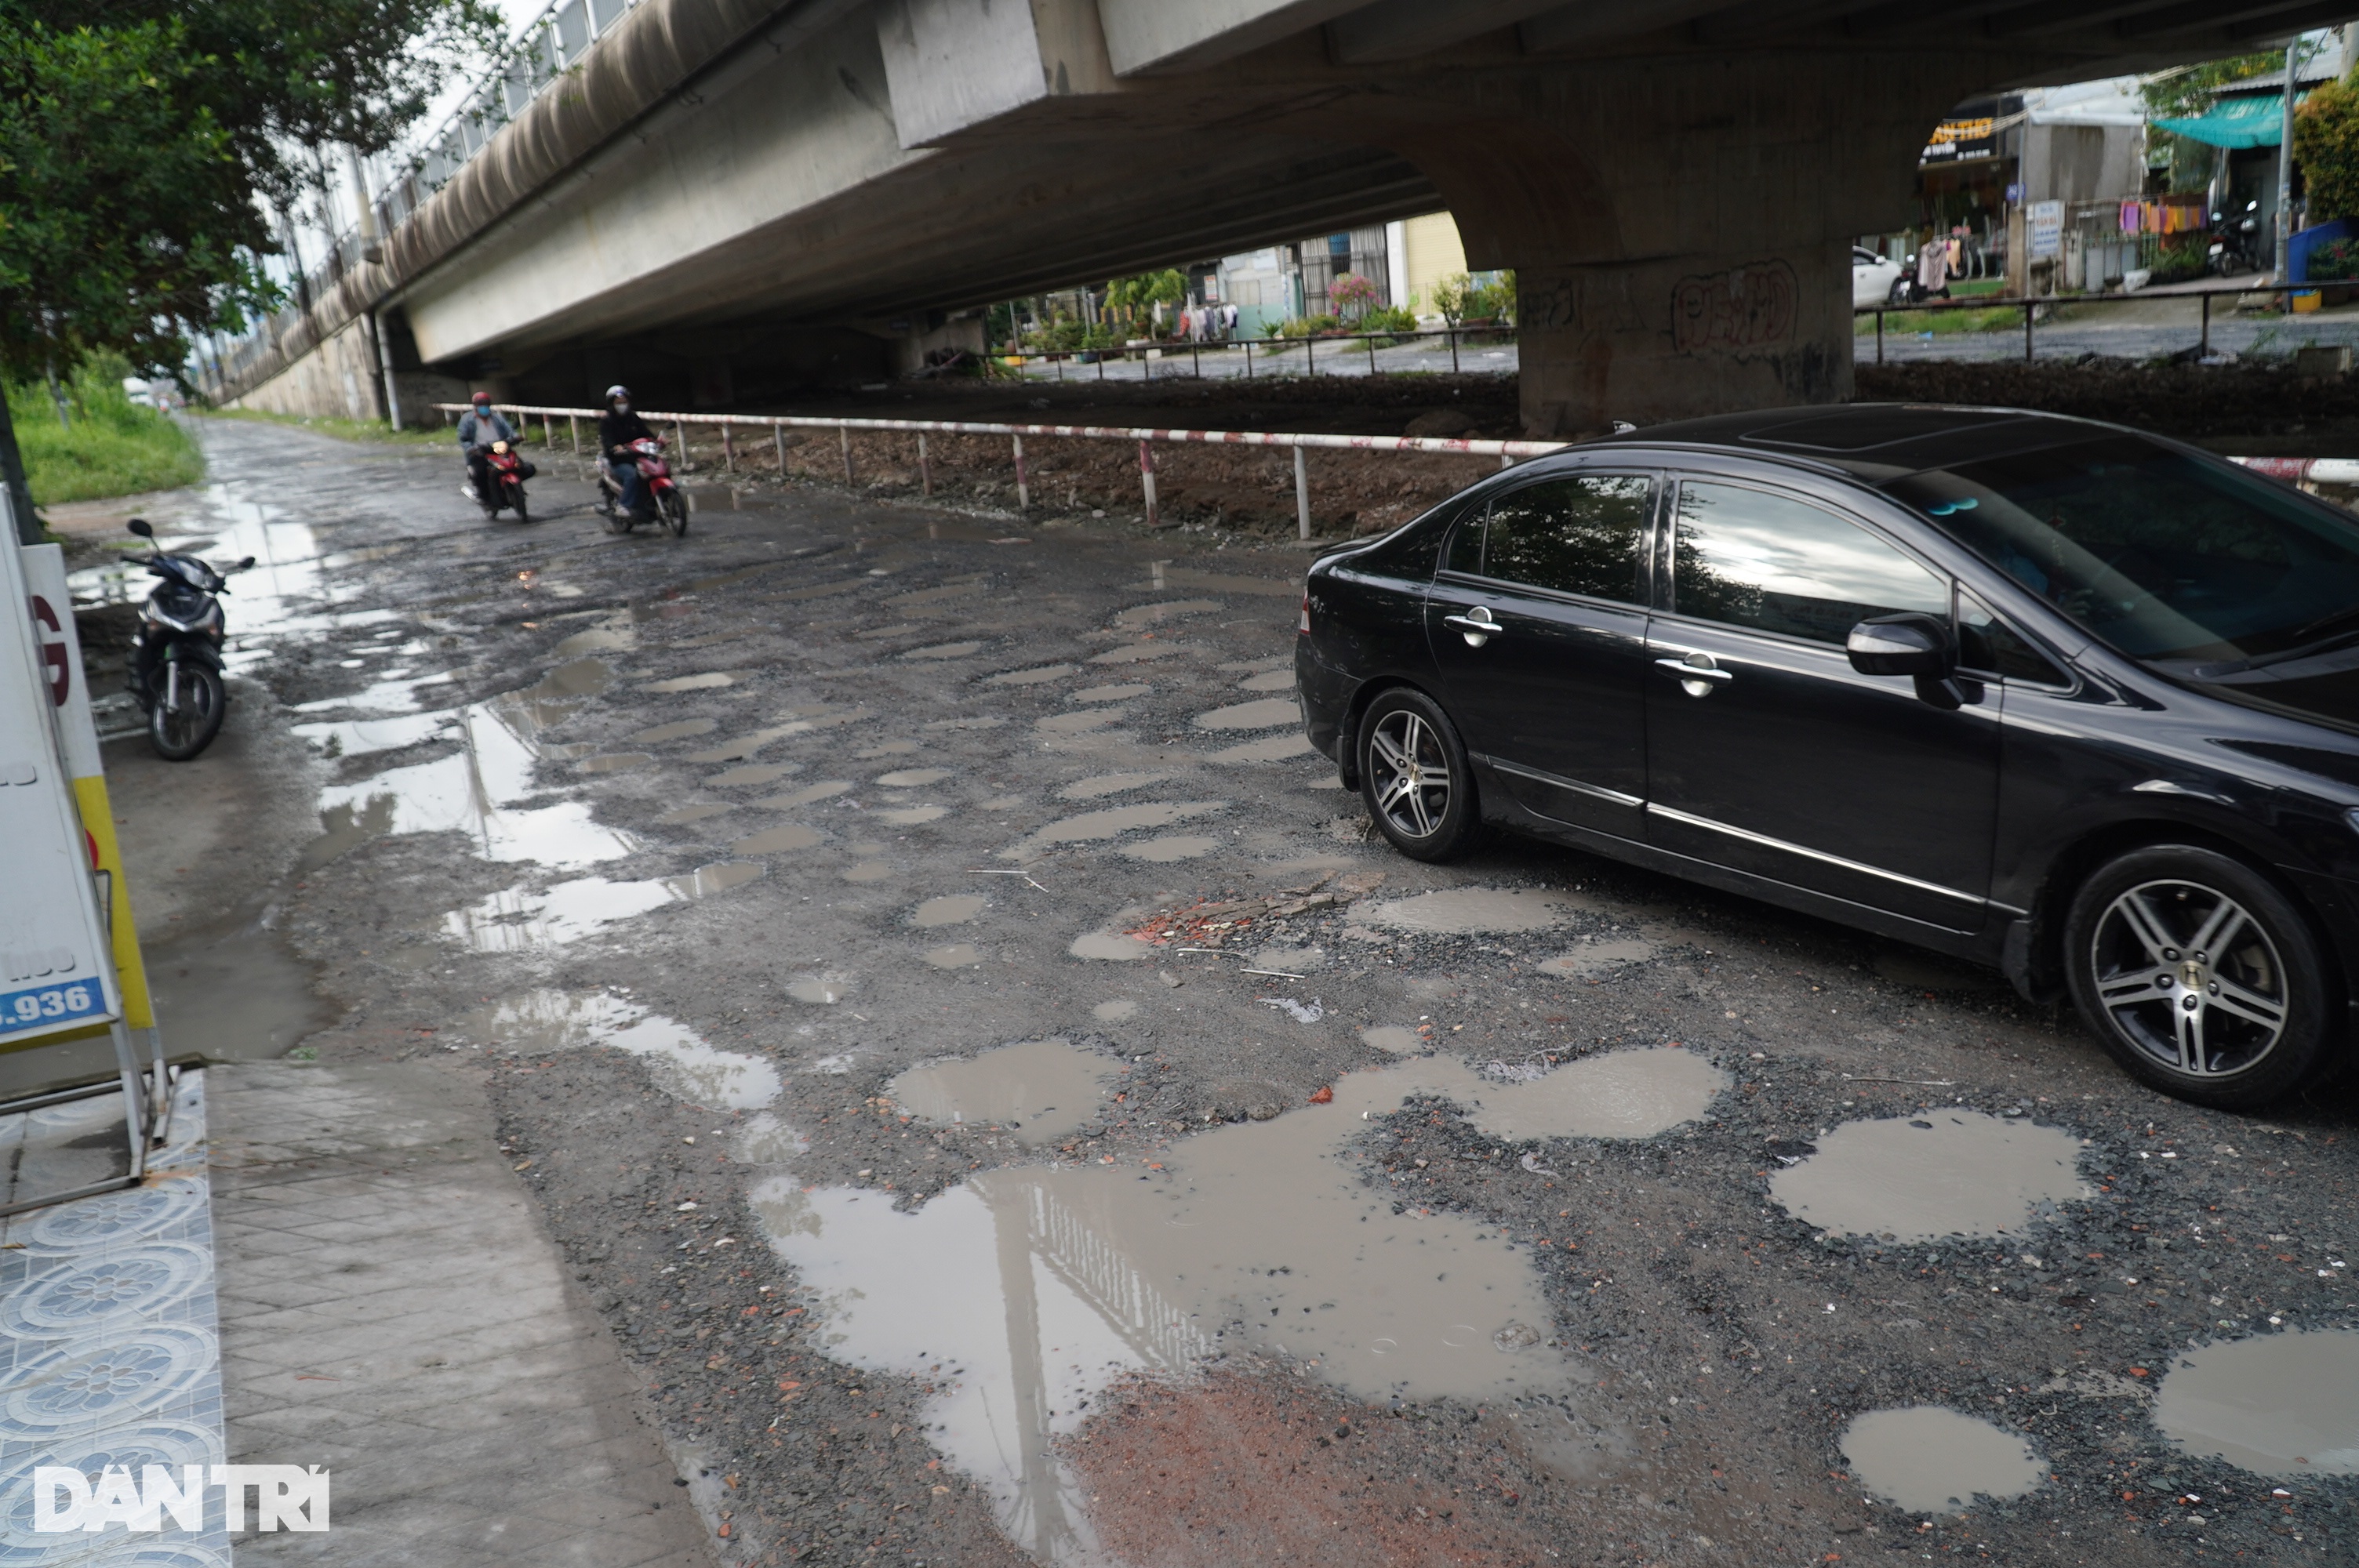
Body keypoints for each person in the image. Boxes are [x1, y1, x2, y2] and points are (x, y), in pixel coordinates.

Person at [456, 392, 528, 502]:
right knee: (480, 473)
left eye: (486, 404)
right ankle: (484, 497)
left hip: (499, 448)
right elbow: (463, 439)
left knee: (524, 467)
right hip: (480, 452)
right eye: (480, 404)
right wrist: (472, 449)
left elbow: (509, 430)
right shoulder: (467, 420)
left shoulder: (496, 418)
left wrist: (516, 437)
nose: (483, 407)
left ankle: (513, 488)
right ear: (475, 405)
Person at [599, 385, 657, 515]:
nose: (622, 405)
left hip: (637, 456)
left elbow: (646, 433)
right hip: (618, 460)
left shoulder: (633, 418)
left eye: (624, 402)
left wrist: (657, 440)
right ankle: (623, 505)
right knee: (632, 475)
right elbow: (607, 440)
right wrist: (615, 447)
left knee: (655, 469)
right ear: (612, 404)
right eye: (618, 403)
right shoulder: (607, 421)